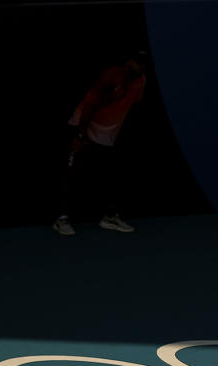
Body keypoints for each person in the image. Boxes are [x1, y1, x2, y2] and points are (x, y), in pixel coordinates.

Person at [53, 51, 148, 235]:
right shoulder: (111, 76)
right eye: (137, 63)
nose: (141, 67)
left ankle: (110, 217)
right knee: (72, 174)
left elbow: (131, 104)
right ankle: (61, 218)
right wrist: (79, 137)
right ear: (128, 61)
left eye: (143, 64)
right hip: (85, 128)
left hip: (107, 136)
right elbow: (89, 105)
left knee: (111, 176)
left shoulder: (141, 80)